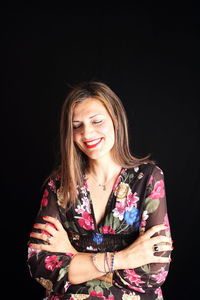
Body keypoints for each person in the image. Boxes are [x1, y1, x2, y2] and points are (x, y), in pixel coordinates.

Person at [27, 81, 173, 300]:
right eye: (77, 126)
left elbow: (153, 274)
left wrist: (75, 258)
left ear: (115, 120)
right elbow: (39, 264)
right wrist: (124, 259)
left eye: (97, 121)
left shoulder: (148, 178)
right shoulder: (59, 184)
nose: (87, 133)